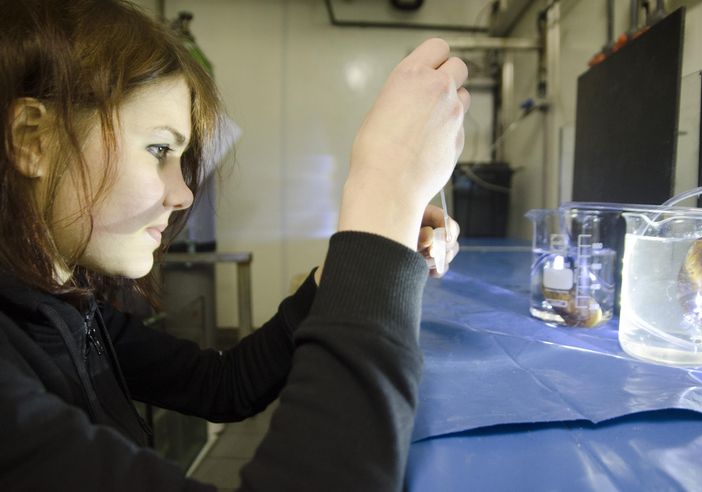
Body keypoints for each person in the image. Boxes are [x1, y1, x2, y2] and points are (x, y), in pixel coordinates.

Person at [0, 0, 469, 490]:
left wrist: (348, 272)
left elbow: (223, 384)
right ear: (34, 139)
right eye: (159, 149)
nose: (182, 195)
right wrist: (385, 190)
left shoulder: (67, 309)